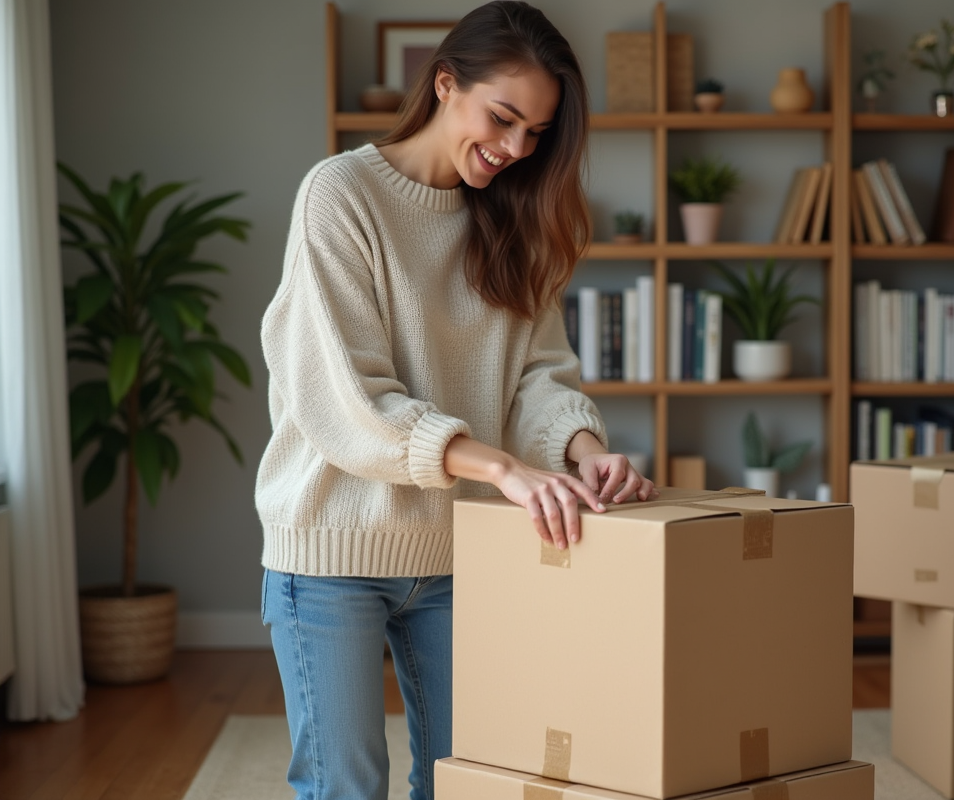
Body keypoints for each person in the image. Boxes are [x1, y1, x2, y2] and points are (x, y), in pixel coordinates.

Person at [254, 3, 655, 799]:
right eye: (504, 118)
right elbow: (350, 400)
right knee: (346, 789)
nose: (514, 149)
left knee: (466, 784)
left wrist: (584, 451)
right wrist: (503, 469)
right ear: (445, 83)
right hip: (333, 547)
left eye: (536, 133)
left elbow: (539, 375)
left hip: (457, 552)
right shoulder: (340, 195)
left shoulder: (515, 218)